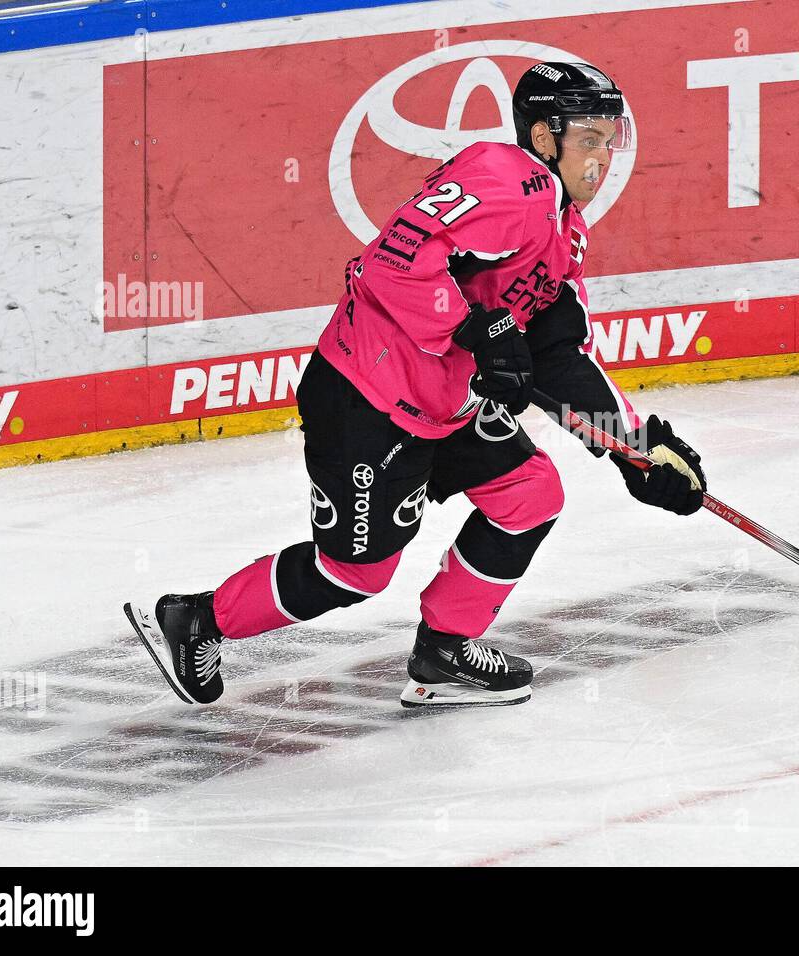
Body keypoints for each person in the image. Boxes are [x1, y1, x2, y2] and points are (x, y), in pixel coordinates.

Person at [124, 62, 707, 708]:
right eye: (589, 140)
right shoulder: (507, 180)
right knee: (354, 573)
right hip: (367, 397)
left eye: (609, 141)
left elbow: (557, 354)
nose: (602, 159)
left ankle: (444, 650)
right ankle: (198, 620)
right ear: (544, 137)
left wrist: (634, 446)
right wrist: (476, 329)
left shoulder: (565, 233)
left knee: (530, 492)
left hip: (441, 403)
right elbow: (391, 261)